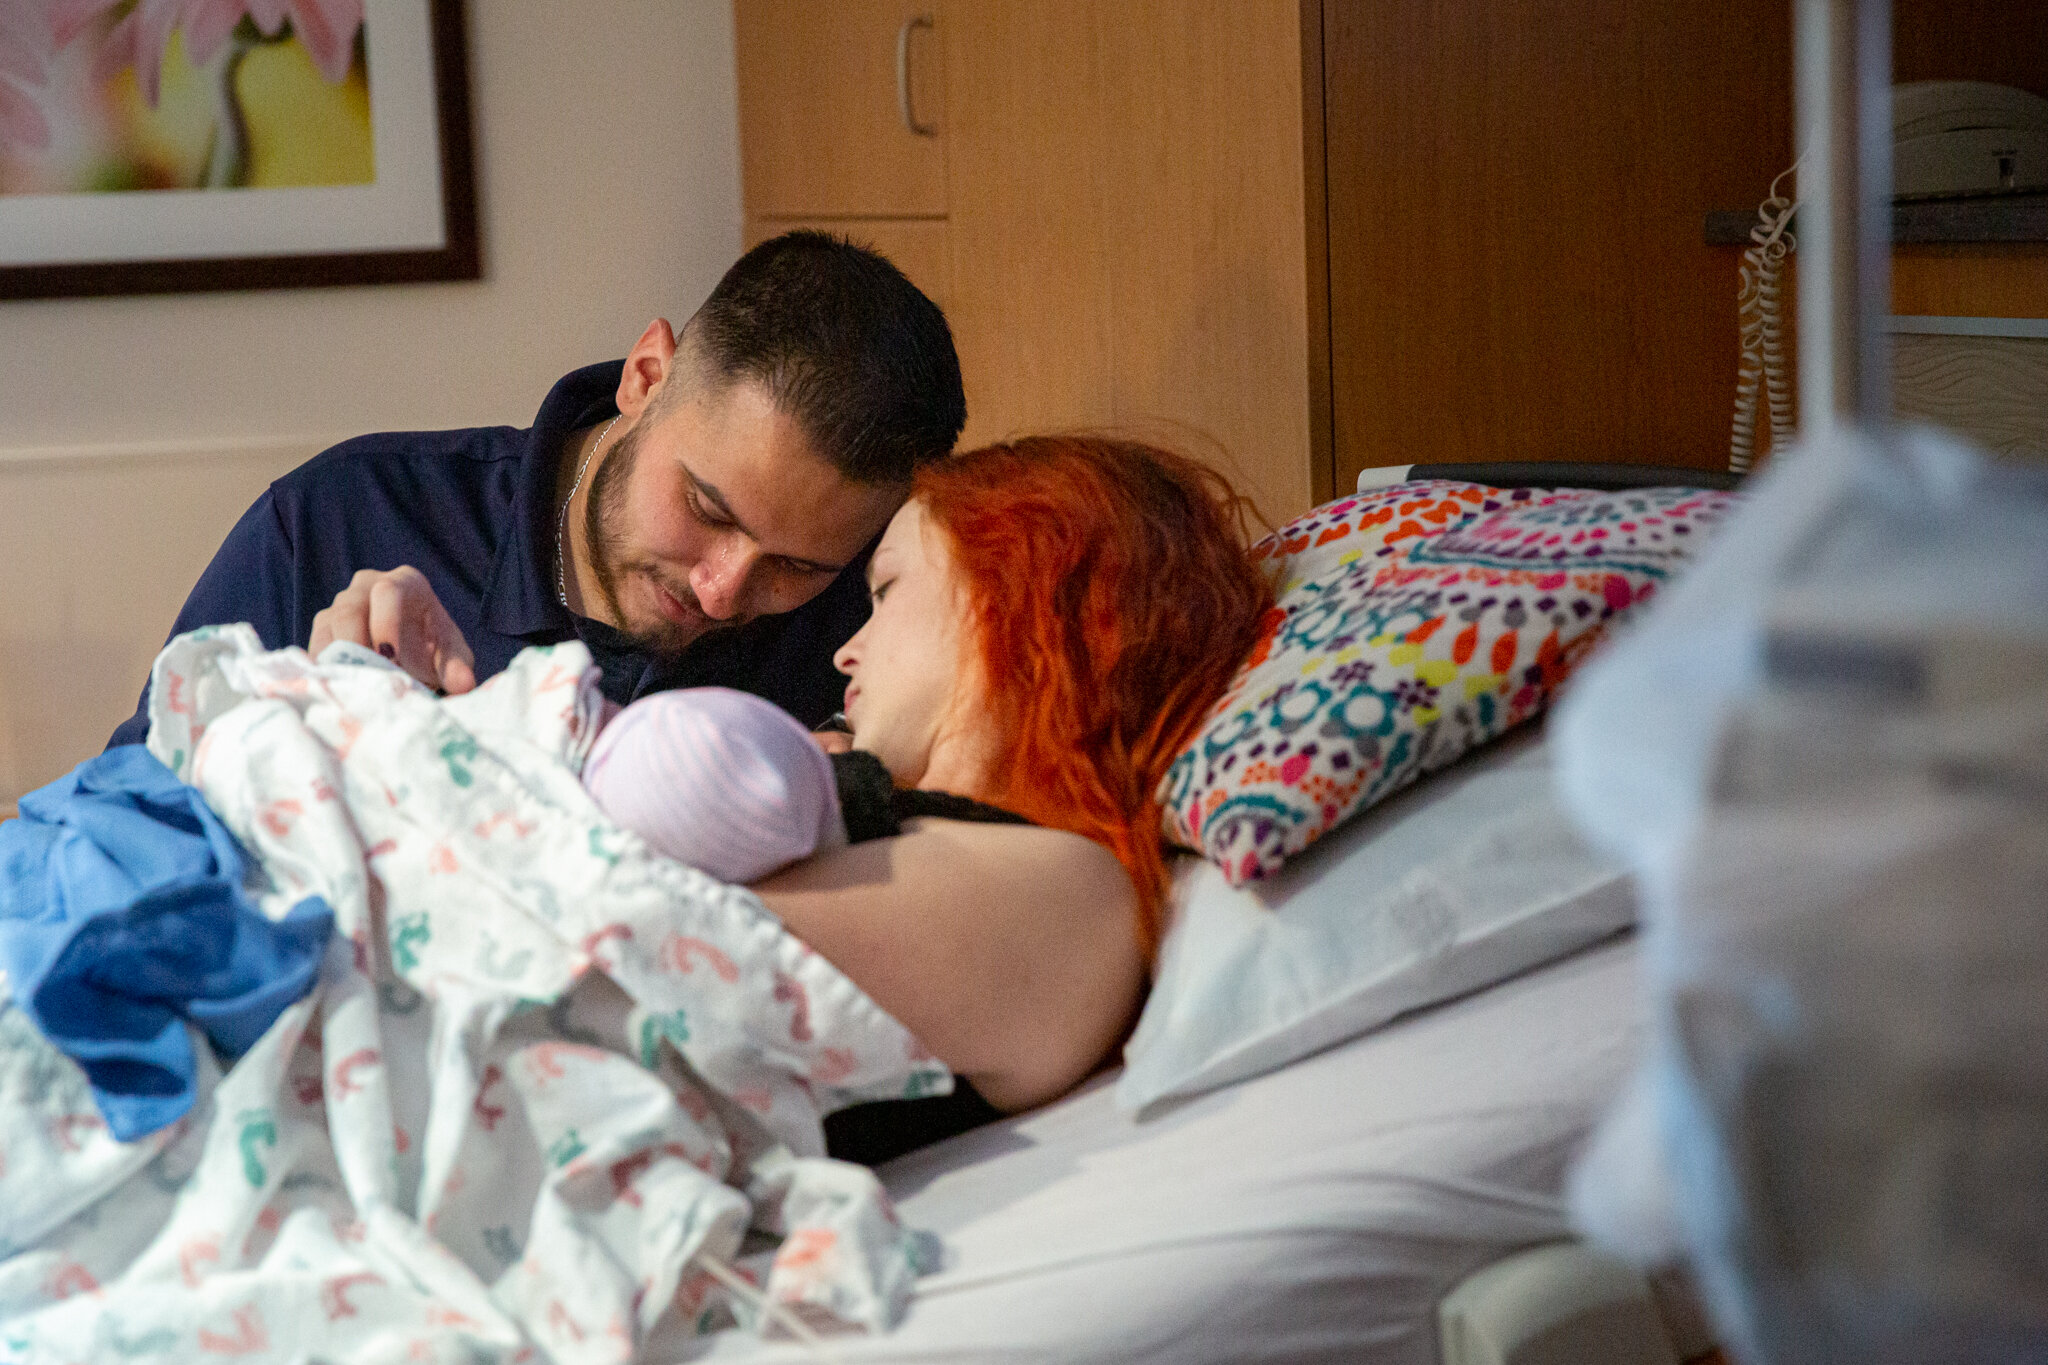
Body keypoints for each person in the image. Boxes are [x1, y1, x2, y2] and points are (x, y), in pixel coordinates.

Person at [107, 231, 966, 748]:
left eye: (796, 566)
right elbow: (123, 826)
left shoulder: (878, 613)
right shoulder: (337, 521)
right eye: (707, 509)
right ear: (646, 375)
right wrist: (305, 729)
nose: (723, 590)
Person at [748, 434, 1275, 1159]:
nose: (846, 650)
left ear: (1016, 585)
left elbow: (651, 935)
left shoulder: (1076, 898)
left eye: (887, 589)